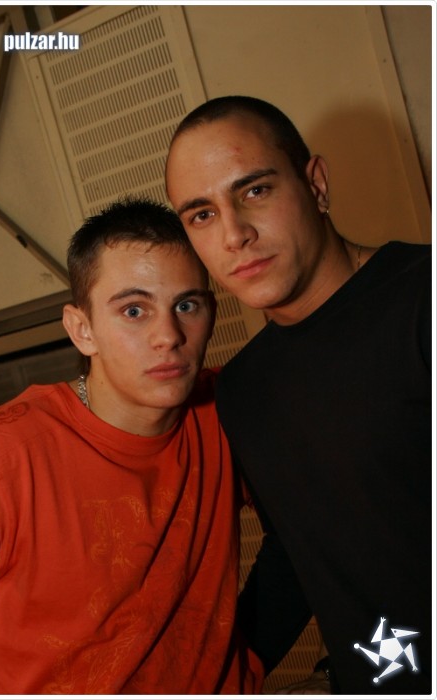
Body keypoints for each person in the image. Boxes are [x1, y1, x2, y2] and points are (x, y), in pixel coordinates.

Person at [165, 95, 432, 694]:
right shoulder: (241, 388)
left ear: (315, 184)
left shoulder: (424, 300)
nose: (234, 235)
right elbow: (299, 549)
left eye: (255, 190)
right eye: (202, 214)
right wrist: (210, 674)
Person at [0, 197, 266, 695]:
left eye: (187, 306)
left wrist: (251, 658)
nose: (168, 336)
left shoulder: (232, 412)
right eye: (134, 310)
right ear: (82, 330)